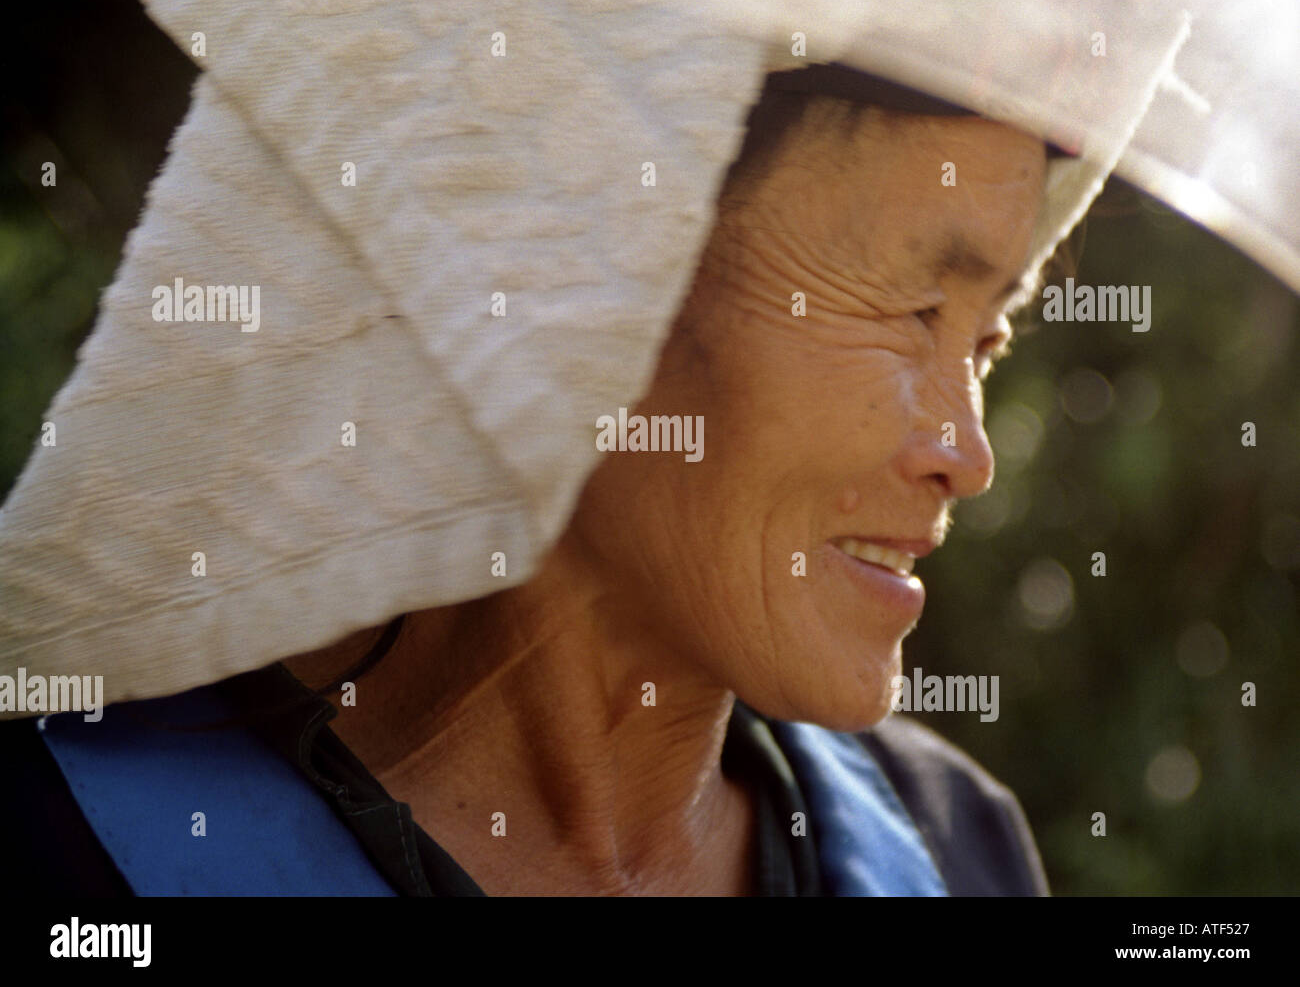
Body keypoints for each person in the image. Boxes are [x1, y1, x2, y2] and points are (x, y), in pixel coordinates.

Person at [4, 63, 1056, 896]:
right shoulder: (77, 841)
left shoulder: (954, 849)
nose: (966, 455)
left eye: (988, 340)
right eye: (915, 311)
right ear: (582, 275)